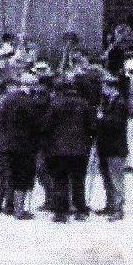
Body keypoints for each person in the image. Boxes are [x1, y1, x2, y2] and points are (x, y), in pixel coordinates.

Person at [0, 70, 47, 219]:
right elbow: (36, 124)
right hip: (23, 144)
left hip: (5, 143)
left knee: (4, 173)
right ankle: (16, 208)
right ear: (32, 85)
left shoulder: (7, 99)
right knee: (21, 175)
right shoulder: (29, 102)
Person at [41, 73, 97, 223]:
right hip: (80, 150)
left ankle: (61, 212)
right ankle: (80, 210)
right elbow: (92, 127)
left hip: (58, 149)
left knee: (60, 180)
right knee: (78, 180)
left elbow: (46, 125)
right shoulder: (84, 104)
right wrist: (89, 141)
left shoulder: (55, 104)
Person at [95, 72, 129, 221]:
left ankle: (118, 208)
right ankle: (109, 204)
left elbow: (117, 124)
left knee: (116, 179)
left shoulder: (120, 103)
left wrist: (101, 119)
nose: (103, 89)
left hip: (116, 147)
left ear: (111, 87)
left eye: (105, 85)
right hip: (105, 146)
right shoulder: (107, 102)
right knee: (107, 177)